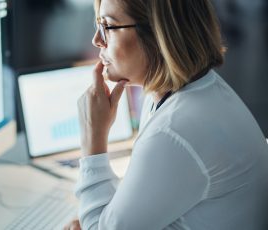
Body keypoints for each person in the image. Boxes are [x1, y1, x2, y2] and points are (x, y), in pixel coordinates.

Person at [65, 0, 268, 229]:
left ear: (157, 33)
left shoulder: (175, 130)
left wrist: (93, 136)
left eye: (108, 26)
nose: (97, 40)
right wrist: (99, 216)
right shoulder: (191, 91)